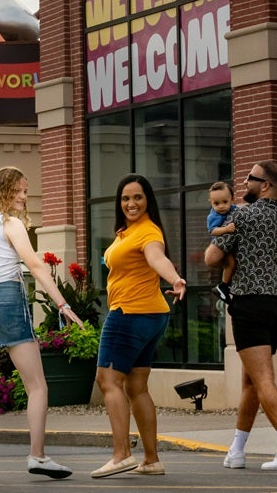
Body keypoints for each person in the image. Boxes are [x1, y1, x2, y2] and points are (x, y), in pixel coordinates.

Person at [0, 166, 82, 481]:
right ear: (5, 190)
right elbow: (36, 266)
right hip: (7, 299)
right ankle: (37, 456)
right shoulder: (10, 224)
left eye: (26, 191)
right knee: (37, 386)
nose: (25, 197)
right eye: (21, 191)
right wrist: (62, 304)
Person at [203, 160, 277, 470]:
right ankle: (236, 450)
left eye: (250, 178)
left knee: (262, 378)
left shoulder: (243, 216)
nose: (244, 182)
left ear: (265, 185)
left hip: (250, 302)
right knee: (251, 379)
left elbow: (211, 257)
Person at [91, 173, 187, 478]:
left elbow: (157, 257)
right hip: (152, 315)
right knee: (135, 385)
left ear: (148, 201)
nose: (131, 203)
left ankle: (121, 454)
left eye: (138, 197)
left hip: (130, 313)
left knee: (107, 380)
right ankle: (151, 459)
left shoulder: (147, 232)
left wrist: (174, 278)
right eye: (125, 198)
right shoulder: (127, 231)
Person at [207, 181, 237, 305]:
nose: (221, 206)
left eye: (225, 202)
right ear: (211, 202)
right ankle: (223, 286)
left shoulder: (235, 210)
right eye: (216, 203)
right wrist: (226, 229)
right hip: (221, 247)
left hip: (231, 244)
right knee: (230, 264)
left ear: (232, 199)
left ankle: (227, 284)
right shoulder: (213, 216)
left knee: (233, 264)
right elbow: (212, 231)